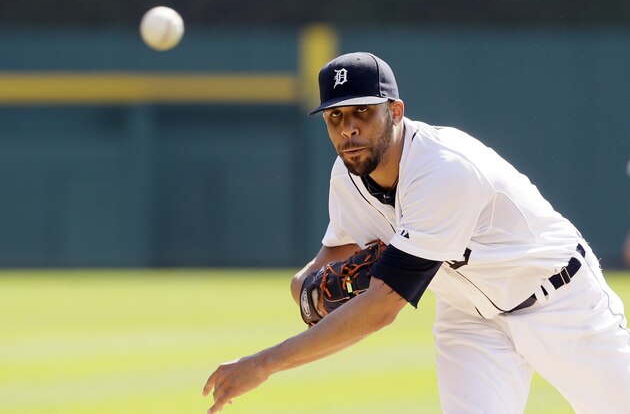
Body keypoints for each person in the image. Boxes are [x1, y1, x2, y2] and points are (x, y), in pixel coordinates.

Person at [202, 52, 630, 413]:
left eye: (362, 113)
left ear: (396, 111)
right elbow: (326, 264)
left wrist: (265, 363)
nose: (348, 129)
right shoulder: (347, 173)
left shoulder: (443, 170)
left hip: (558, 302)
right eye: (335, 117)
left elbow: (381, 309)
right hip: (470, 319)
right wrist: (307, 289)